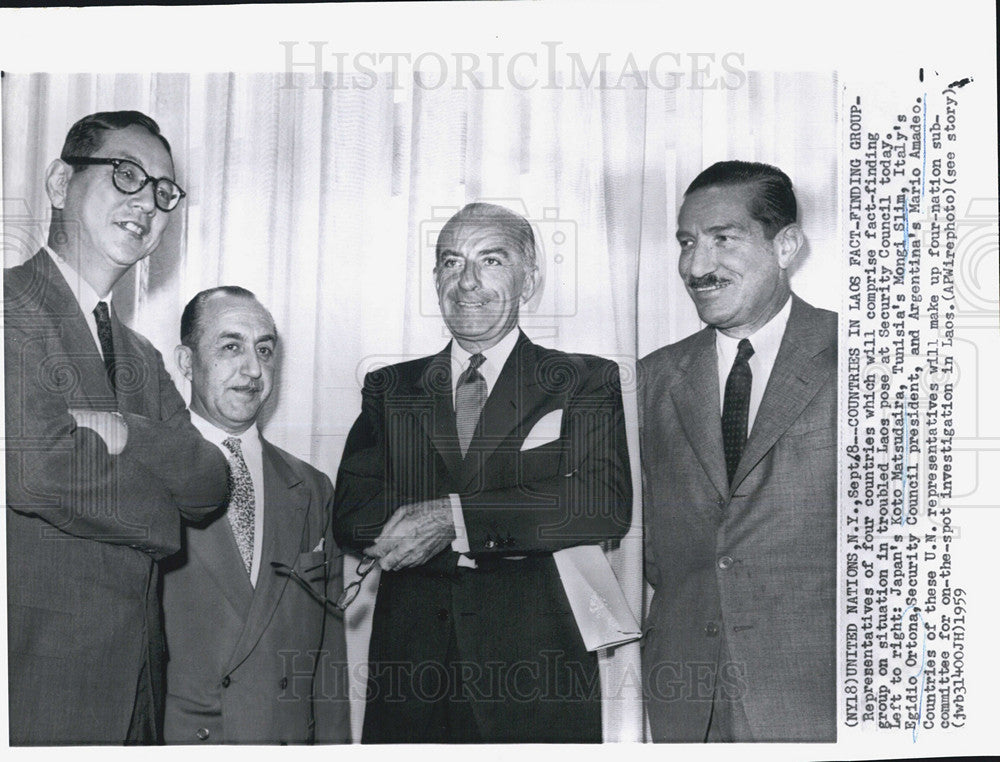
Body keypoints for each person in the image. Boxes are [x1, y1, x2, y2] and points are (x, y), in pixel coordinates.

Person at [333, 202, 632, 743]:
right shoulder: (389, 387)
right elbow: (353, 516)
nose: (466, 282)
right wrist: (526, 510)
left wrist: (455, 518)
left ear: (529, 279)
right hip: (412, 677)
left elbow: (599, 504)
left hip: (538, 676)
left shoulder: (584, 380)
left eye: (490, 260)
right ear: (435, 279)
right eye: (451, 263)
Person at [4, 110, 229, 744]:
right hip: (33, 675)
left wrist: (124, 431)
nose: (148, 204)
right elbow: (39, 472)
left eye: (163, 190)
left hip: (138, 687)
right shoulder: (10, 310)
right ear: (58, 183)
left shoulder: (142, 356)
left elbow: (210, 484)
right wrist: (163, 526)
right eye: (126, 174)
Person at [639, 161, 836, 742]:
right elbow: (642, 545)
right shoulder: (651, 380)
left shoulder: (867, 359)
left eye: (723, 239)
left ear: (787, 246)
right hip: (685, 701)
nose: (697, 266)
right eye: (687, 243)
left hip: (817, 698)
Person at [160, 287, 350, 744]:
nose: (252, 370)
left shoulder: (311, 488)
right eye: (231, 347)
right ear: (186, 362)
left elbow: (329, 661)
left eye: (264, 350)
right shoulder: (148, 470)